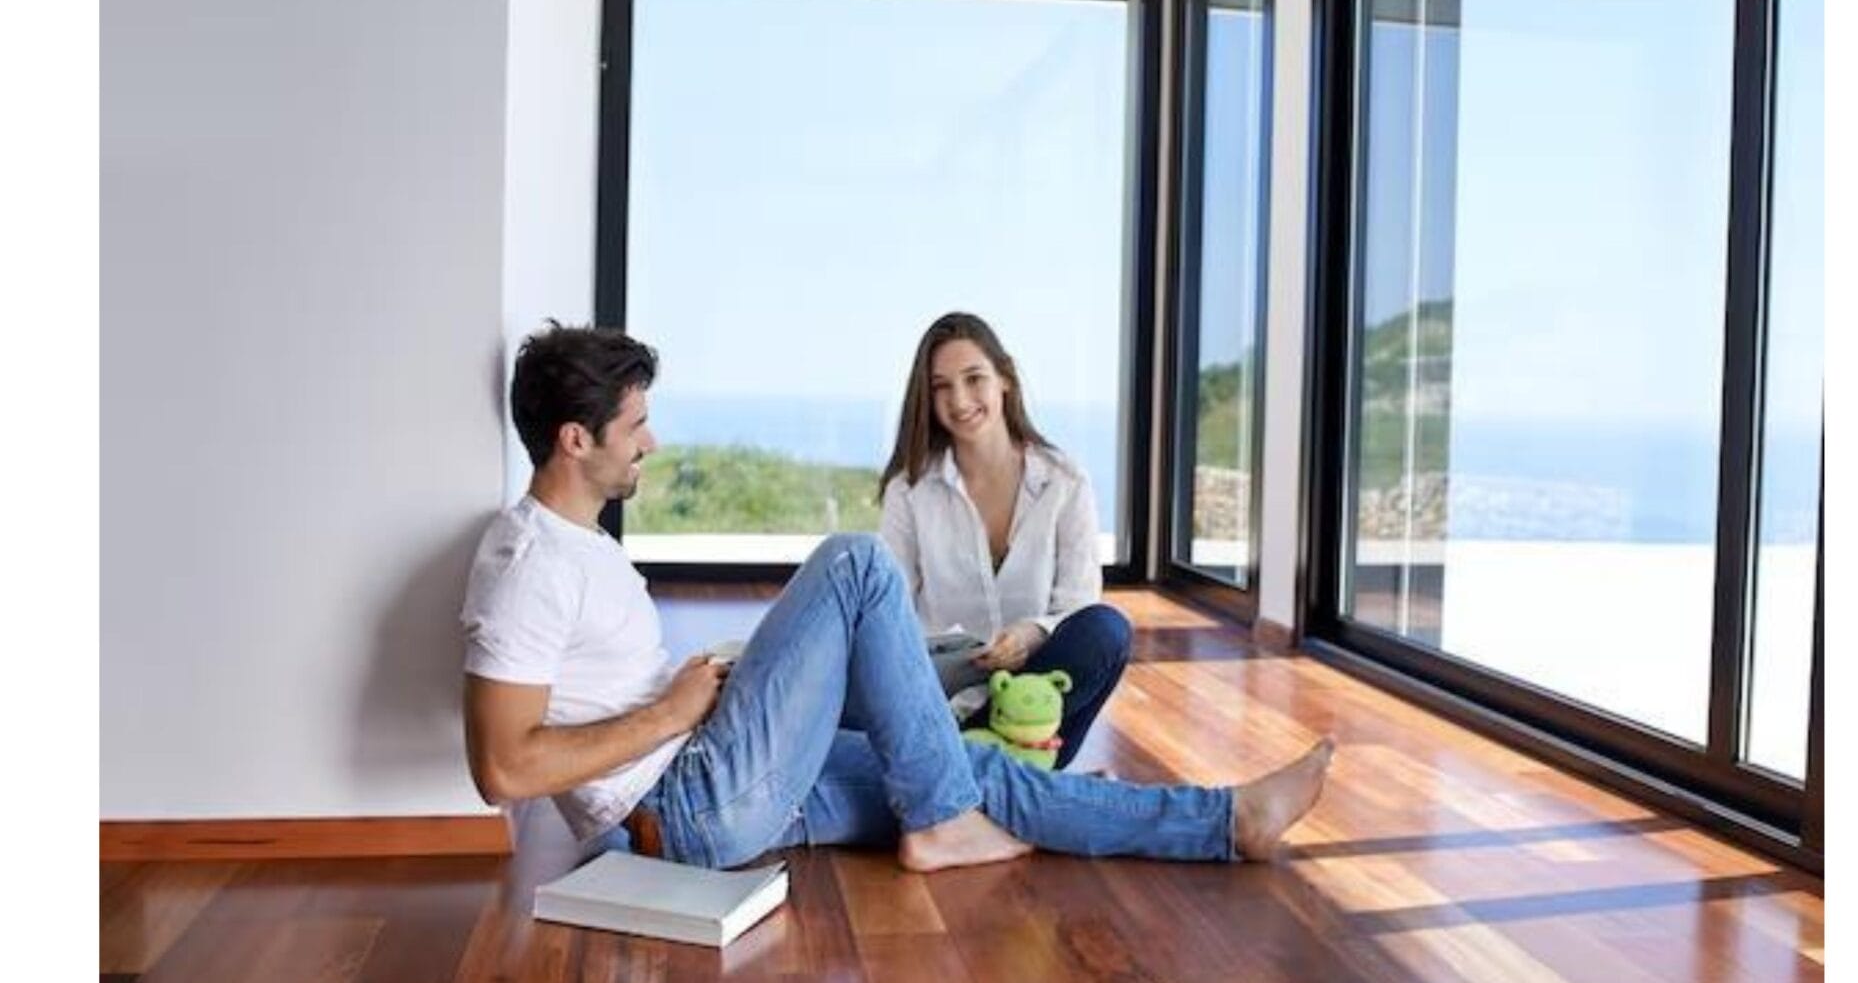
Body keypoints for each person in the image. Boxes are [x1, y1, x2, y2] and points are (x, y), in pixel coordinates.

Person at [460, 323, 1333, 873]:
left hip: (714, 774)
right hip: (689, 803)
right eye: (635, 424)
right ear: (576, 440)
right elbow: (503, 770)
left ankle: (1229, 821)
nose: (651, 440)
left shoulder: (580, 544)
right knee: (855, 564)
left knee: (977, 770)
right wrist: (670, 713)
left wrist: (701, 697)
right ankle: (942, 820)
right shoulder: (528, 562)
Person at [879, 312, 1128, 768]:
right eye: (941, 387)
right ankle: (1008, 782)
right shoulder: (908, 491)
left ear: (1005, 378)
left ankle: (970, 772)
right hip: (942, 706)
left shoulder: (1064, 480)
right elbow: (891, 613)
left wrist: (1032, 635)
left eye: (974, 378)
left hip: (1030, 711)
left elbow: (1077, 604)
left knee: (1106, 630)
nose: (959, 400)